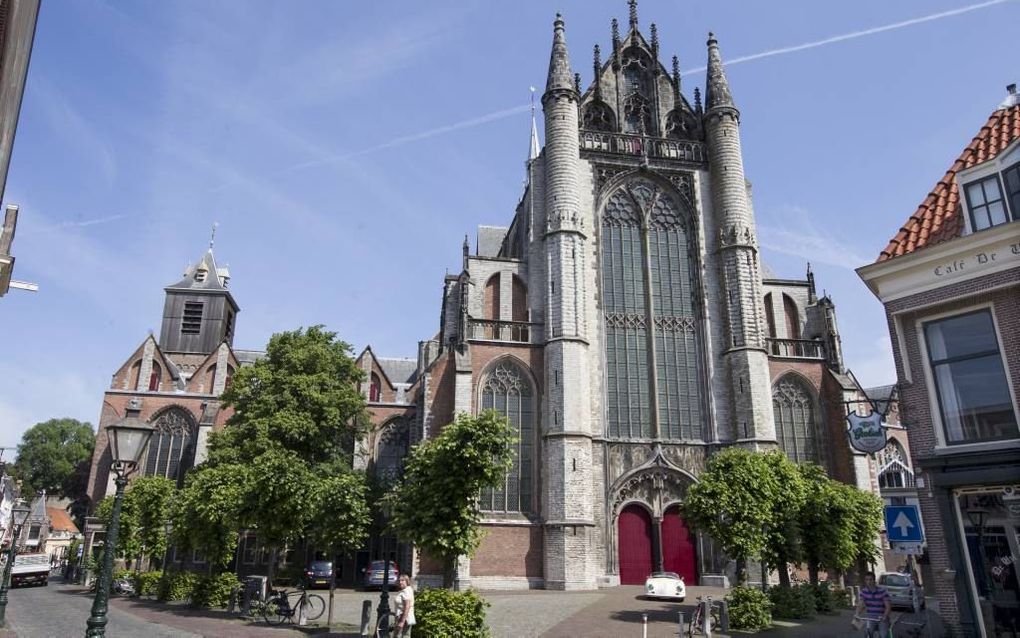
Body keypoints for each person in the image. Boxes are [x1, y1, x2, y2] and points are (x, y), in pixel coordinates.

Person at [856, 571, 892, 636]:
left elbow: (888, 607)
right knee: (867, 632)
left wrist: (885, 616)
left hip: (881, 616)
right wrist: (857, 614)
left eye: (870, 580)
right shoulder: (864, 592)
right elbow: (861, 604)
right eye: (867, 580)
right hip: (870, 616)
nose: (869, 582)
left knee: (883, 634)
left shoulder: (882, 591)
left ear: (874, 580)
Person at [393, 573, 416, 638]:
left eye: (402, 580)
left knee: (401, 636)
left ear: (407, 581)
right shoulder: (405, 590)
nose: (400, 582)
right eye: (399, 580)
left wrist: (402, 621)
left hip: (404, 617)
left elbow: (407, 606)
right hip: (403, 617)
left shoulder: (406, 591)